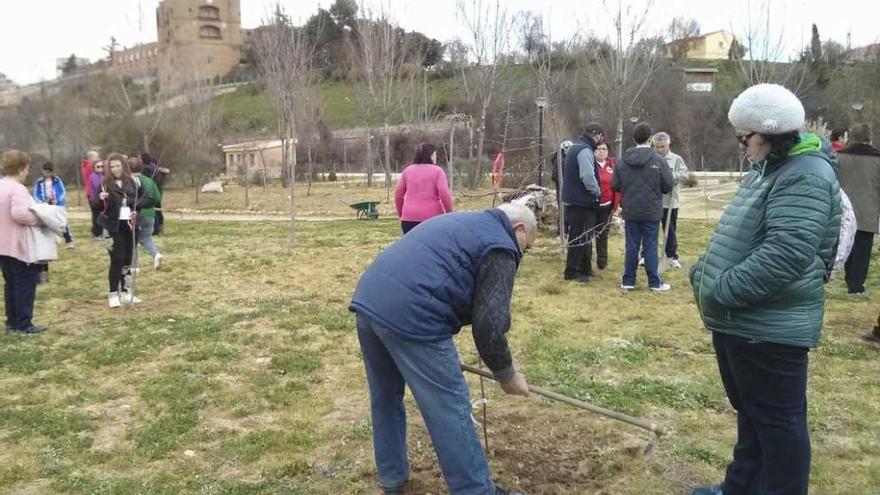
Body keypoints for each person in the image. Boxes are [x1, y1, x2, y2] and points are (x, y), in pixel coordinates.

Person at [689, 84, 842, 495]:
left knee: (779, 426)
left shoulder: (805, 175)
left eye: (746, 137)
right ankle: (739, 488)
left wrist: (721, 289)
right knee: (755, 416)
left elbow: (787, 253)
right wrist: (703, 272)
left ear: (771, 133)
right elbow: (742, 233)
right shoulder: (772, 168)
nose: (742, 145)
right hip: (746, 320)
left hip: (769, 326)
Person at [349, 203, 535, 495]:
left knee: (385, 398)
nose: (522, 254)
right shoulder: (501, 245)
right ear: (518, 229)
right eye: (527, 247)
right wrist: (507, 374)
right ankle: (476, 490)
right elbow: (490, 327)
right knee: (450, 407)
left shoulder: (468, 222)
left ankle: (392, 479)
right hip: (414, 316)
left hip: (370, 301)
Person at [611, 122, 673, 292]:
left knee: (631, 245)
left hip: (630, 209)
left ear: (634, 138)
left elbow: (615, 184)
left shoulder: (623, 160)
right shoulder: (658, 160)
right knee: (650, 245)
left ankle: (628, 280)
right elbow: (668, 185)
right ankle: (654, 282)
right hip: (651, 209)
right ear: (650, 139)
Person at [93, 153, 155, 308]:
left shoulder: (133, 183)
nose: (115, 169)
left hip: (129, 226)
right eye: (112, 166)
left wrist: (137, 208)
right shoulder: (104, 183)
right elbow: (95, 205)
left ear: (124, 166)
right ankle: (113, 294)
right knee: (117, 259)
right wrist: (100, 198)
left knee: (128, 259)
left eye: (118, 165)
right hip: (112, 227)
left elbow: (150, 199)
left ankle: (127, 293)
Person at [0, 150, 45, 334]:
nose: (27, 172)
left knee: (10, 283)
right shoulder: (17, 188)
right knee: (25, 283)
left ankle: (11, 321)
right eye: (26, 169)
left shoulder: (1, 185)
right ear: (20, 169)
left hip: (2, 245)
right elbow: (19, 213)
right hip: (18, 244)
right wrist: (40, 218)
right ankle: (24, 323)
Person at [837, 123, 880, 296]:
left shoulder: (838, 157)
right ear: (868, 137)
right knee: (863, 249)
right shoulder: (877, 160)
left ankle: (849, 279)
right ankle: (856, 286)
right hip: (867, 210)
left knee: (848, 245)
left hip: (842, 210)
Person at [562, 122, 604, 282]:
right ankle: (572, 272)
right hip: (582, 202)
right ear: (597, 135)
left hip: (574, 200)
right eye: (601, 136)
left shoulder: (575, 147)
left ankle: (585, 269)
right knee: (579, 237)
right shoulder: (585, 150)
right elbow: (587, 176)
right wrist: (597, 192)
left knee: (584, 237)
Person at [393, 143, 453, 234]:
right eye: (435, 154)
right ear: (430, 156)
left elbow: (398, 194)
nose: (435, 157)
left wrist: (401, 214)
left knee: (411, 246)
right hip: (432, 218)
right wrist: (449, 214)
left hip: (409, 218)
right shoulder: (437, 171)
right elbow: (444, 193)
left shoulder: (407, 171)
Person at [650, 132, 688, 268]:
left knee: (670, 230)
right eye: (657, 147)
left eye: (662, 147)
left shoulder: (676, 159)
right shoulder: (651, 158)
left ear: (668, 145)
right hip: (653, 201)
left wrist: (670, 176)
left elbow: (685, 175)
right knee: (650, 230)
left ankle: (672, 255)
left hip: (670, 201)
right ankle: (647, 255)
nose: (660, 150)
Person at [128, 157, 163, 271]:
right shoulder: (149, 180)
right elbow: (157, 197)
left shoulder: (130, 181)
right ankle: (156, 254)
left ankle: (134, 266)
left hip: (136, 213)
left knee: (133, 239)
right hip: (150, 213)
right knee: (146, 237)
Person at [32, 161, 74, 248]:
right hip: (45, 205)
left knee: (62, 222)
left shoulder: (57, 180)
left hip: (57, 204)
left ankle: (69, 241)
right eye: (45, 171)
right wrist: (42, 202)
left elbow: (62, 191)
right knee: (47, 222)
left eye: (49, 171)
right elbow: (35, 194)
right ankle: (50, 241)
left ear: (52, 171)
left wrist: (57, 200)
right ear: (42, 171)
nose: (47, 173)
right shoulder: (39, 182)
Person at [593, 142, 619, 270]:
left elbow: (617, 186)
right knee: (589, 233)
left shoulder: (612, 166)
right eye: (598, 149)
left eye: (604, 149)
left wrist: (617, 204)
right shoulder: (591, 165)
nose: (602, 151)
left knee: (603, 234)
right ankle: (585, 260)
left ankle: (602, 262)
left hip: (607, 205)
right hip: (592, 205)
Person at [140, 153, 169, 235]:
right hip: (158, 191)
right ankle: (160, 229)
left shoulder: (145, 169)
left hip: (151, 192)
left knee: (153, 210)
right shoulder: (155, 168)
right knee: (158, 210)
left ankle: (155, 229)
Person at [88, 159, 105, 239]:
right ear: (94, 167)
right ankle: (97, 233)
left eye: (102, 166)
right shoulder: (93, 176)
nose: (100, 168)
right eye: (98, 166)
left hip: (101, 198)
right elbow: (96, 187)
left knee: (101, 215)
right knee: (96, 216)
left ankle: (100, 232)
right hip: (94, 199)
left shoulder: (102, 176)